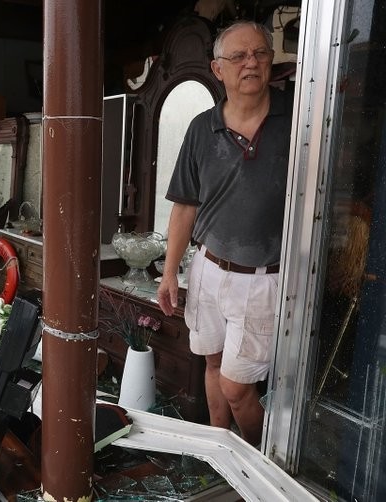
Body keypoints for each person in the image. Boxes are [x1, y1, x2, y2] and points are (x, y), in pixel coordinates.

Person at [156, 21, 292, 447]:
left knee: (237, 387)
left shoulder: (298, 119)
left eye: (260, 54)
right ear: (218, 68)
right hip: (209, 270)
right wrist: (169, 272)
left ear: (270, 61)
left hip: (263, 278)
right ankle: (220, 451)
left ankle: (256, 461)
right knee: (212, 366)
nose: (251, 62)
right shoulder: (201, 128)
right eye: (238, 56)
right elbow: (184, 207)